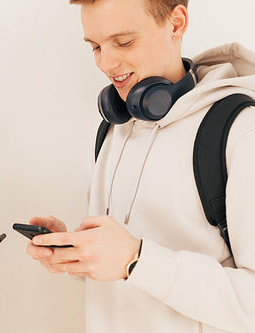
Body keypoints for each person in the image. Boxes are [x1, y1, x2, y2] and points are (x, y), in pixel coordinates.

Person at [26, 0, 255, 332]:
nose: (106, 63)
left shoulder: (239, 130)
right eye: (95, 46)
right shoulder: (115, 127)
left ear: (176, 23)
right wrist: (82, 255)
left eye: (123, 42)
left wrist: (136, 259)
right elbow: (130, 276)